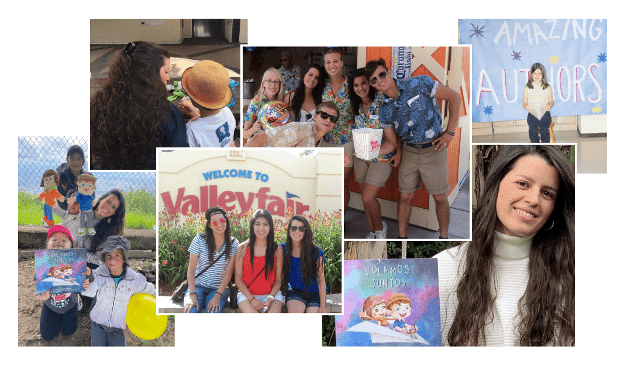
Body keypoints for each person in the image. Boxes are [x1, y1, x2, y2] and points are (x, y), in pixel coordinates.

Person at [434, 145, 575, 346]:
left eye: (547, 193)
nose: (533, 200)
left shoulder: (569, 276)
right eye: (523, 184)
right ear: (497, 184)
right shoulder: (442, 269)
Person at [365, 58, 461, 239]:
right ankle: (402, 239)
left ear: (389, 71)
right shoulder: (384, 110)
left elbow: (455, 97)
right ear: (372, 85)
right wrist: (368, 152)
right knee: (405, 197)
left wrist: (450, 132)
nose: (380, 80)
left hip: (434, 149)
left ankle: (444, 238)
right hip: (409, 151)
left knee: (440, 197)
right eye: (374, 80)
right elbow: (392, 143)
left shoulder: (419, 83)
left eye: (382, 74)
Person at [90, 41, 189, 170]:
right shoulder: (168, 114)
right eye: (166, 71)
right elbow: (178, 159)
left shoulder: (100, 103)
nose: (168, 78)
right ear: (150, 74)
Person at [348, 68, 398, 239]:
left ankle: (380, 229)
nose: (360, 88)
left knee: (369, 197)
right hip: (361, 156)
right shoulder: (354, 106)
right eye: (356, 85)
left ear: (370, 83)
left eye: (363, 83)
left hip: (381, 157)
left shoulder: (382, 101)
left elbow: (396, 134)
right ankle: (372, 231)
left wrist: (399, 153)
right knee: (364, 198)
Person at [82, 236, 156, 346]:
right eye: (108, 255)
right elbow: (90, 292)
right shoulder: (99, 273)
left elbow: (148, 289)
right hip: (98, 321)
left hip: (119, 324)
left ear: (125, 258)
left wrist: (157, 300)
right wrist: (87, 283)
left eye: (117, 255)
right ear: (104, 257)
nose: (112, 259)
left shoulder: (133, 278)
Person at [34, 225, 90, 341]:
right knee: (47, 336)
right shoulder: (42, 265)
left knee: (69, 331)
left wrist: (87, 279)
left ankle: (77, 299)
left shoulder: (77, 263)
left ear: (71, 246)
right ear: (47, 246)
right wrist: (39, 294)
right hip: (50, 305)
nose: (59, 241)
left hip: (71, 304)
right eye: (54, 239)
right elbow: (39, 285)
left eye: (64, 240)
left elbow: (87, 279)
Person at [183, 207, 239, 313]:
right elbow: (191, 270)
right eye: (214, 222)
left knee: (213, 312)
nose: (219, 225)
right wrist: (192, 294)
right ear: (209, 225)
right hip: (197, 286)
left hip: (218, 289)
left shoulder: (233, 243)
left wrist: (218, 296)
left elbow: (228, 272)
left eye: (222, 220)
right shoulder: (199, 240)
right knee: (191, 311)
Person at [321, 48, 355, 210]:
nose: (332, 65)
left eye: (335, 61)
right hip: (326, 142)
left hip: (346, 142)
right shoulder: (322, 86)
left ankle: (342, 222)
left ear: (342, 62)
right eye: (328, 62)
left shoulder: (351, 84)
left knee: (341, 183)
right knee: (327, 183)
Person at [235, 209, 284, 313]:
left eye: (265, 224)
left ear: (270, 227)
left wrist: (270, 298)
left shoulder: (277, 249)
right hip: (247, 295)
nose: (261, 228)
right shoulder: (242, 248)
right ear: (252, 226)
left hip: (272, 295)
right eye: (257, 224)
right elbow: (238, 280)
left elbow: (278, 280)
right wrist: (252, 299)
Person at [182, 60, 237, 148]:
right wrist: (194, 114)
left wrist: (192, 123)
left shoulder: (191, 130)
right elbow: (212, 131)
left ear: (194, 100)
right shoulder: (228, 112)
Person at [281, 215, 326, 313]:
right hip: (295, 291)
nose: (297, 231)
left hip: (315, 293)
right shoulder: (283, 249)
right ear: (289, 230)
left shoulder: (316, 252)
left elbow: (321, 279)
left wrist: (323, 307)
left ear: (306, 231)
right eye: (293, 228)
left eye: (301, 228)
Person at [244, 101, 340, 147]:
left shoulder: (321, 142)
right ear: (315, 116)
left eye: (333, 118)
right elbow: (258, 138)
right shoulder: (300, 129)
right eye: (324, 115)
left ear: (335, 124)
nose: (328, 120)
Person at [76, 189, 126, 270]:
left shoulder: (111, 231)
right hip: (67, 254)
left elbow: (101, 260)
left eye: (113, 207)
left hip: (90, 266)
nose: (108, 207)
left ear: (114, 213)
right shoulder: (83, 210)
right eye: (108, 202)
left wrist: (79, 253)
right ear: (102, 199)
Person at [243, 68, 284, 140]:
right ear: (263, 83)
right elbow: (244, 134)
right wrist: (253, 129)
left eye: (276, 81)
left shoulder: (281, 102)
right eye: (269, 81)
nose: (273, 85)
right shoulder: (256, 102)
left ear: (280, 85)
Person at [523, 63, 554, 143]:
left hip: (544, 113)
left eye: (539, 73)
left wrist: (549, 105)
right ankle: (535, 146)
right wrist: (526, 106)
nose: (537, 76)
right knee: (533, 131)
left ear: (543, 74)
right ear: (531, 75)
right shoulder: (527, 88)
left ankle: (545, 146)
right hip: (533, 114)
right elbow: (524, 103)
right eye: (535, 73)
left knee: (544, 130)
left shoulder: (547, 87)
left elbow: (551, 101)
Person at [56, 145, 88, 211]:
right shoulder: (61, 177)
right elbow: (60, 201)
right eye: (72, 158)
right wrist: (71, 210)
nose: (76, 162)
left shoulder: (88, 178)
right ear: (67, 160)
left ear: (83, 161)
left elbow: (90, 199)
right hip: (66, 210)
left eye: (79, 159)